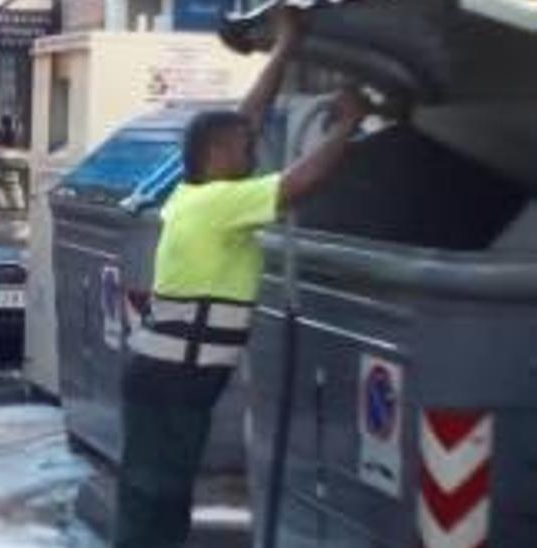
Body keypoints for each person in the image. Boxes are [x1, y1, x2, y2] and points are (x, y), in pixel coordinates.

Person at [114, 9, 371, 548]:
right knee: (152, 500)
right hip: (169, 384)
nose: (255, 150)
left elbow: (246, 119)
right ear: (216, 156)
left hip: (167, 381)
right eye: (245, 148)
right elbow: (305, 181)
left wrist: (285, 46)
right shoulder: (219, 204)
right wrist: (351, 121)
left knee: (160, 496)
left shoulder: (198, 193)